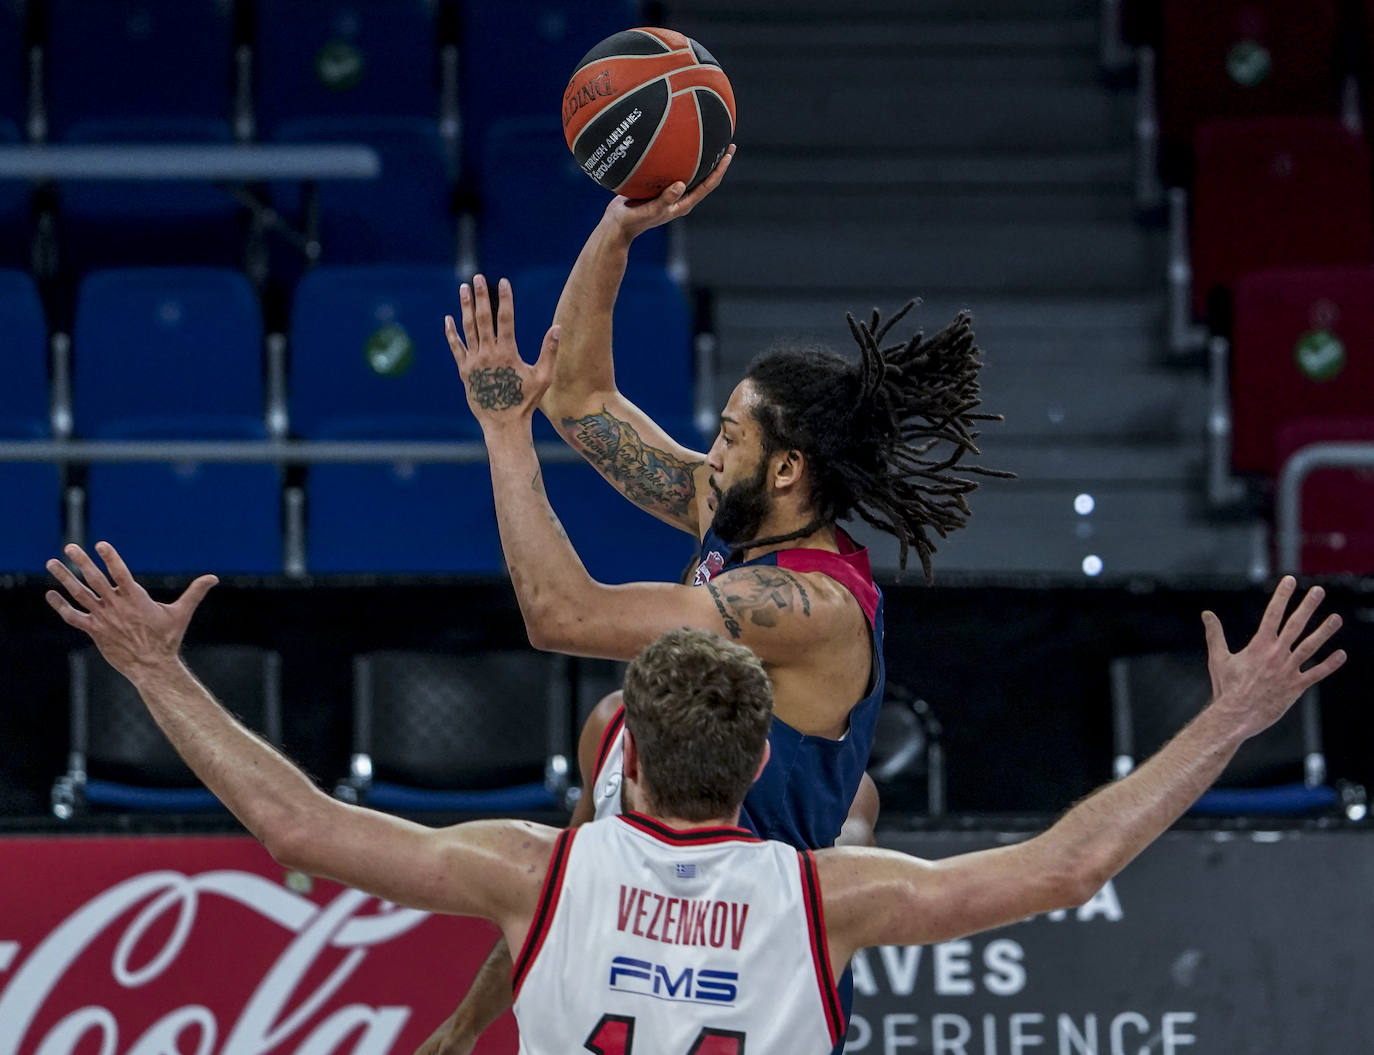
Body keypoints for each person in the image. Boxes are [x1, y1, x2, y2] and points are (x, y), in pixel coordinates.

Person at [45, 543, 1345, 1055]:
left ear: (623, 752)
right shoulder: (819, 891)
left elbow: (297, 823)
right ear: (749, 766)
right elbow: (1069, 861)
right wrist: (1229, 714)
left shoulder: (540, 866)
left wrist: (156, 665)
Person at [420, 187, 1011, 1049]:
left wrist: (503, 437)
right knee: (613, 733)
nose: (713, 448)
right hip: (651, 905)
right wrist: (618, 230)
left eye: (732, 435)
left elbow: (561, 614)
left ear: (786, 469)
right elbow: (581, 402)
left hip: (744, 956)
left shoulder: (806, 606)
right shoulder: (728, 513)